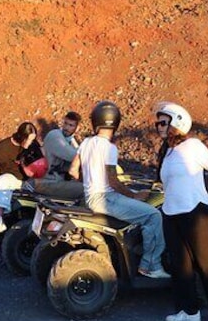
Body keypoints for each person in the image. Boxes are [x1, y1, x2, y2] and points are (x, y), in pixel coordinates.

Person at [155, 102, 208, 321]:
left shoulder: (193, 145)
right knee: (181, 266)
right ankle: (189, 312)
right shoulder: (167, 151)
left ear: (177, 121)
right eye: (157, 122)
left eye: (163, 121)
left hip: (195, 212)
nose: (158, 126)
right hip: (171, 213)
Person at [68, 101, 169, 279]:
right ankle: (150, 265)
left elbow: (73, 171)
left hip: (91, 196)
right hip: (105, 198)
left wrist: (90, 181)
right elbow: (113, 181)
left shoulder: (86, 142)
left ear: (96, 121)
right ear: (116, 122)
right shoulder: (109, 148)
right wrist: (134, 195)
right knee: (153, 215)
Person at [0, 122, 44, 235]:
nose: (30, 143)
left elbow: (40, 158)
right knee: (3, 181)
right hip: (13, 179)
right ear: (21, 136)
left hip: (30, 179)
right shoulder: (4, 147)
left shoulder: (32, 145)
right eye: (28, 140)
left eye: (32, 140)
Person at [42, 111, 81, 179]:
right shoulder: (55, 136)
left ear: (77, 128)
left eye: (71, 125)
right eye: (65, 123)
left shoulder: (70, 139)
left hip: (56, 174)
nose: (66, 127)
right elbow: (74, 156)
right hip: (48, 177)